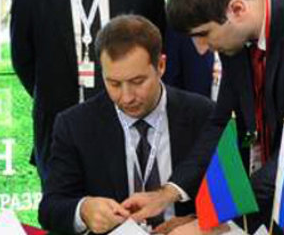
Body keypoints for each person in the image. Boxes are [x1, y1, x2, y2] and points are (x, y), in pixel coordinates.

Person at [124, 0, 284, 234]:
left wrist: (211, 224)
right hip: (277, 199)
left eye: (203, 34)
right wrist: (168, 192)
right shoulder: (238, 33)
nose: (201, 48)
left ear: (237, 9)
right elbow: (222, 123)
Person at [10, 0, 166, 180]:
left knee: (131, 215)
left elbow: (159, 45)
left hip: (132, 122)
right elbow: (23, 60)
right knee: (66, 215)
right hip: (59, 128)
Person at [39, 15, 213, 234]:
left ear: (160, 65)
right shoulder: (75, 125)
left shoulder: (204, 115)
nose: (127, 97)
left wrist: (200, 222)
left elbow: (233, 196)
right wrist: (83, 210)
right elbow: (50, 209)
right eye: (114, 84)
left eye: (137, 82)